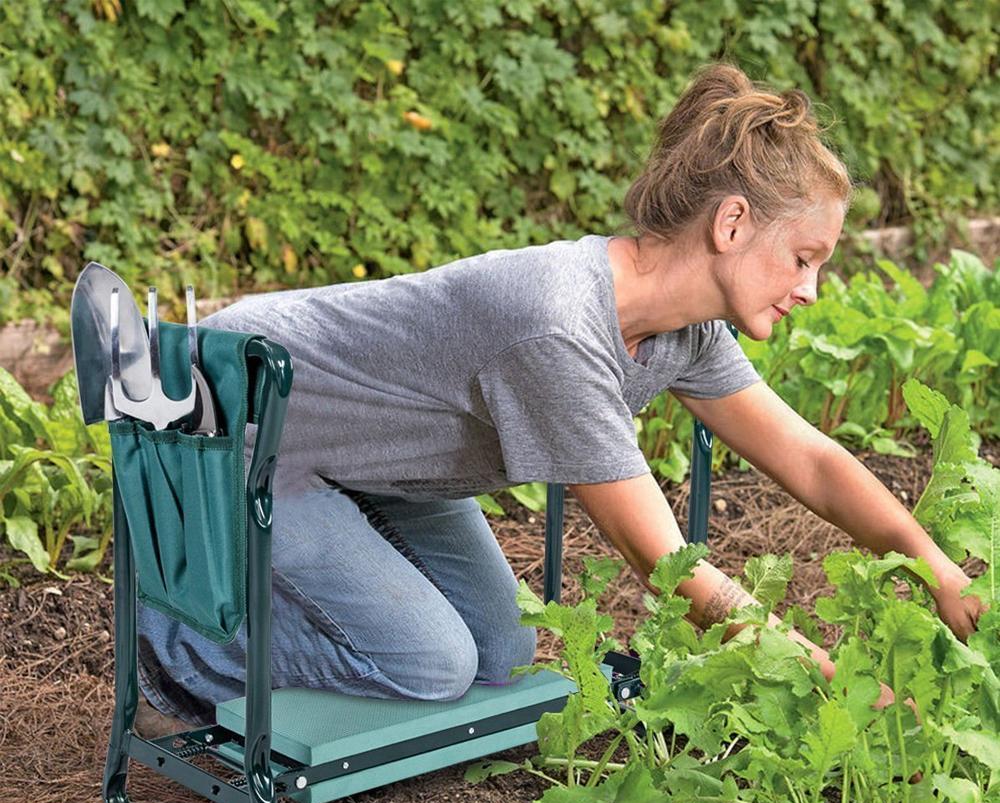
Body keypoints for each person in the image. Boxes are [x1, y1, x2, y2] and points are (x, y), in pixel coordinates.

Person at [135, 62, 984, 734]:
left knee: (498, 655)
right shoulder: (559, 327)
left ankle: (287, 584)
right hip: (237, 421)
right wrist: (832, 687)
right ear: (730, 225)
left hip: (361, 457)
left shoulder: (681, 331)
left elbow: (813, 458)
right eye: (804, 257)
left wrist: (936, 567)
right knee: (431, 666)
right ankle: (183, 641)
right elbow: (664, 563)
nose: (812, 288)